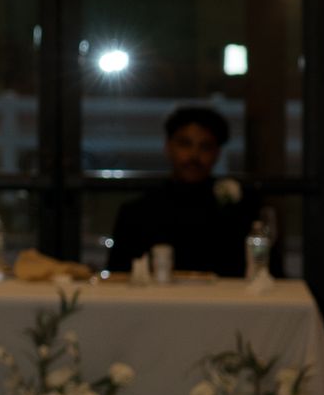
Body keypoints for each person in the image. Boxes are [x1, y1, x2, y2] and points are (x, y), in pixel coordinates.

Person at [105, 104, 267, 278]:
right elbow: (117, 278)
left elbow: (265, 272)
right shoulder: (138, 213)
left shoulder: (242, 209)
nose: (194, 155)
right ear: (168, 147)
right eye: (185, 144)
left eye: (205, 147)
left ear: (217, 153)